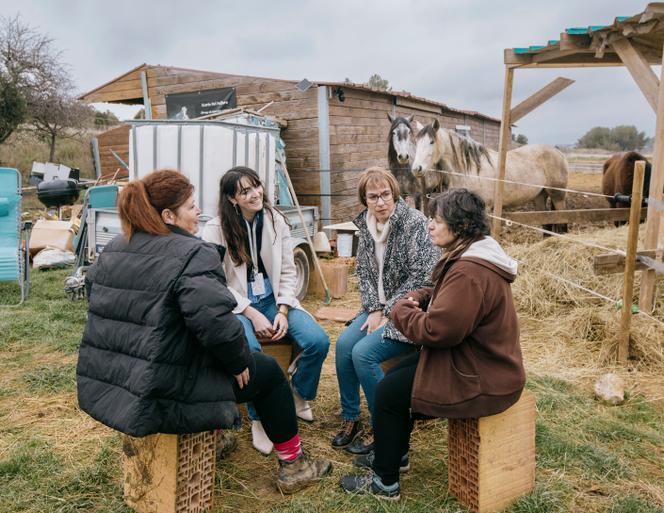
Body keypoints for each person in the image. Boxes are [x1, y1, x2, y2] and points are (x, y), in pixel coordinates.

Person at [76, 169, 331, 494]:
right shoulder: (191, 253)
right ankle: (295, 466)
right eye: (191, 206)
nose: (198, 211)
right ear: (168, 216)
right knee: (267, 374)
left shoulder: (115, 247)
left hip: (117, 380)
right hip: (163, 385)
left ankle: (217, 435)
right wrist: (238, 361)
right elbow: (214, 323)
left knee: (209, 361)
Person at [340, 188, 525, 500]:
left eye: (437, 220)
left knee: (389, 394)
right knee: (394, 381)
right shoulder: (471, 256)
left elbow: (437, 331)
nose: (430, 225)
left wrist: (401, 310)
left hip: (482, 376)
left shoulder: (470, 271)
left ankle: (385, 483)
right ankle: (394, 455)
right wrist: (421, 296)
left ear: (460, 226)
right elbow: (449, 300)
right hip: (472, 360)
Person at [201, 166, 330, 455]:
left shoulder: (275, 219)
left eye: (256, 186)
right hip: (236, 306)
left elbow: (287, 270)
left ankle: (298, 393)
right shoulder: (214, 229)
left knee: (318, 341)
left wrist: (282, 309)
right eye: (245, 191)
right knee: (250, 352)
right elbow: (215, 282)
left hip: (273, 299)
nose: (255, 194)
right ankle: (258, 418)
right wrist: (251, 312)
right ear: (232, 199)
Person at [332, 167, 440, 455]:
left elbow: (423, 276)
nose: (380, 202)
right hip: (377, 308)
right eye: (373, 197)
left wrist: (389, 310)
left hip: (410, 311)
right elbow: (364, 273)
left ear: (395, 194)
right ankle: (351, 417)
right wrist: (373, 309)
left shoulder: (414, 223)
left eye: (385, 195)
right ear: (365, 200)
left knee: (363, 354)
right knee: (343, 346)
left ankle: (386, 427)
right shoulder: (367, 226)